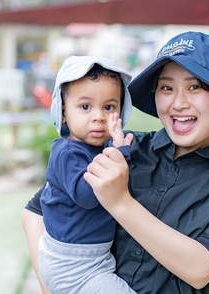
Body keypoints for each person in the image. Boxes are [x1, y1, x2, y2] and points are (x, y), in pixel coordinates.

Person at [22, 31, 209, 294]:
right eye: (167, 87)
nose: (179, 103)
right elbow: (36, 211)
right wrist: (54, 287)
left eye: (195, 87)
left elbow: (199, 270)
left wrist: (119, 202)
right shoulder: (124, 148)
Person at [36, 55, 136, 294]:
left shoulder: (96, 149)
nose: (99, 116)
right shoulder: (66, 152)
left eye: (109, 107)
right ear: (63, 111)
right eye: (85, 107)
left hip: (92, 258)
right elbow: (88, 195)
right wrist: (118, 155)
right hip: (72, 265)